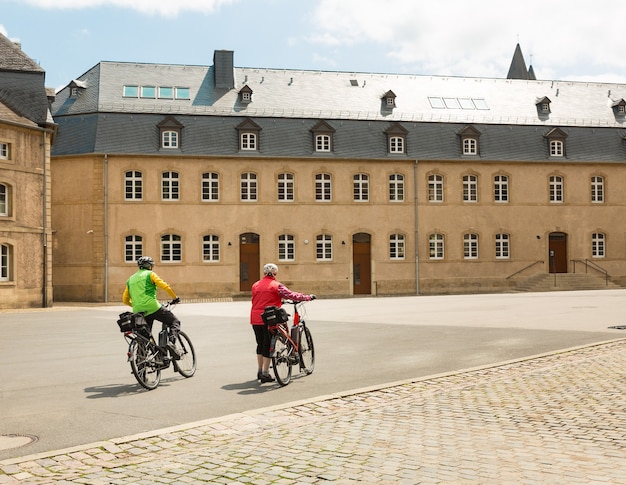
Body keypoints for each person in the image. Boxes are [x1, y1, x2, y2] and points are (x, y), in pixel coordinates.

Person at [250, 263, 315, 383]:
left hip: (255, 319)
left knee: (260, 344)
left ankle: (259, 371)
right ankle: (265, 373)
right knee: (268, 345)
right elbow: (291, 295)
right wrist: (307, 297)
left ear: (264, 273)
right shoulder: (276, 285)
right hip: (270, 318)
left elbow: (261, 298)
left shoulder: (255, 285)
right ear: (275, 273)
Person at [122, 256, 181, 355]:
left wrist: (136, 305)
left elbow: (125, 300)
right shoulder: (150, 274)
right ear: (150, 266)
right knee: (175, 322)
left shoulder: (130, 279)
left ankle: (141, 365)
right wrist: (175, 298)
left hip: (138, 311)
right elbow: (165, 286)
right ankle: (171, 343)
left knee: (144, 338)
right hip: (153, 307)